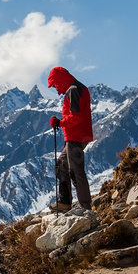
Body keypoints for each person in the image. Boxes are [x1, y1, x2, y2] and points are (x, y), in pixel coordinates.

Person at [47, 66, 93, 212]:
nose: (55, 88)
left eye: (55, 84)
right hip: (76, 136)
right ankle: (65, 202)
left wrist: (60, 123)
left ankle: (84, 208)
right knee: (61, 165)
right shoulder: (75, 89)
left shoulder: (73, 90)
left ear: (60, 79)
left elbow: (76, 116)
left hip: (76, 136)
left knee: (76, 171)